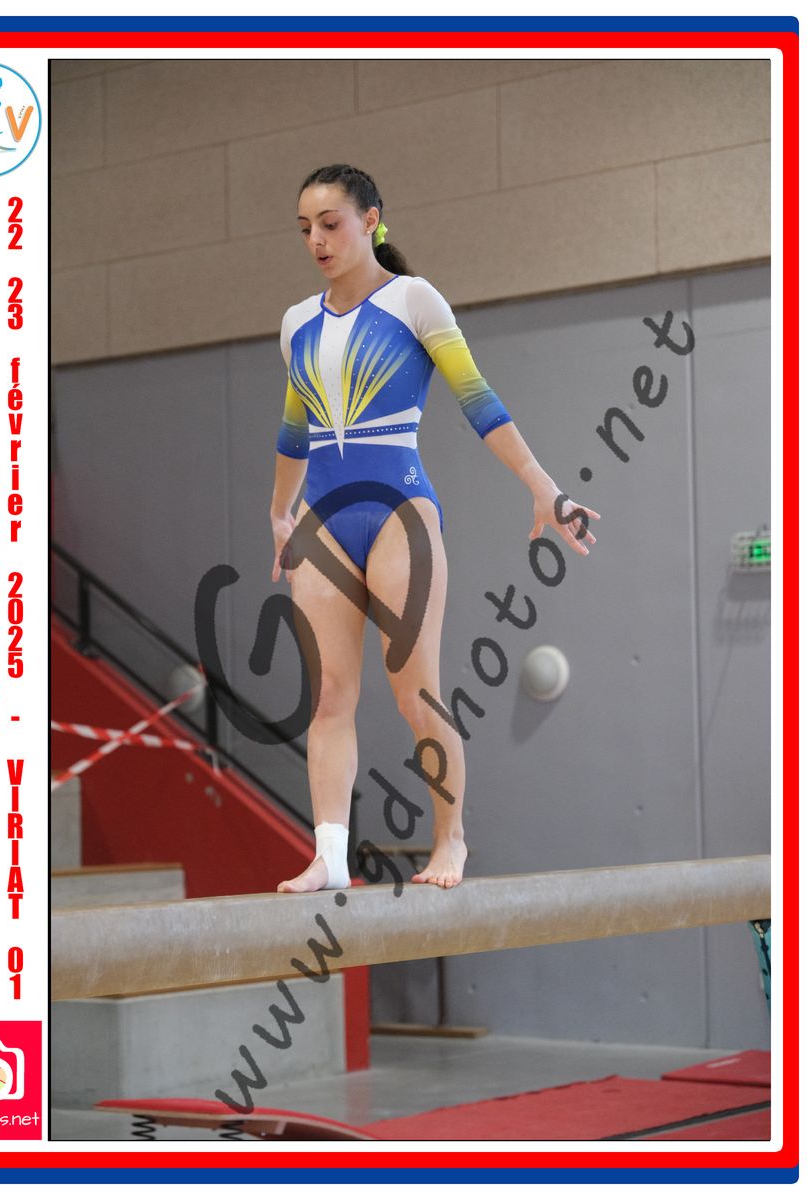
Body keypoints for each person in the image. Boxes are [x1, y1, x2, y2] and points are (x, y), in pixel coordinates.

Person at [270, 164, 599, 894]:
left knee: (415, 695)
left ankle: (450, 839)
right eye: (305, 229)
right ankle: (330, 854)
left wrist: (543, 487)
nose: (317, 240)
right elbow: (295, 430)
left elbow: (479, 401)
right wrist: (278, 512)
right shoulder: (297, 324)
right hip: (322, 519)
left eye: (331, 224)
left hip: (399, 513)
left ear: (371, 221)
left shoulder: (413, 300)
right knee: (328, 699)